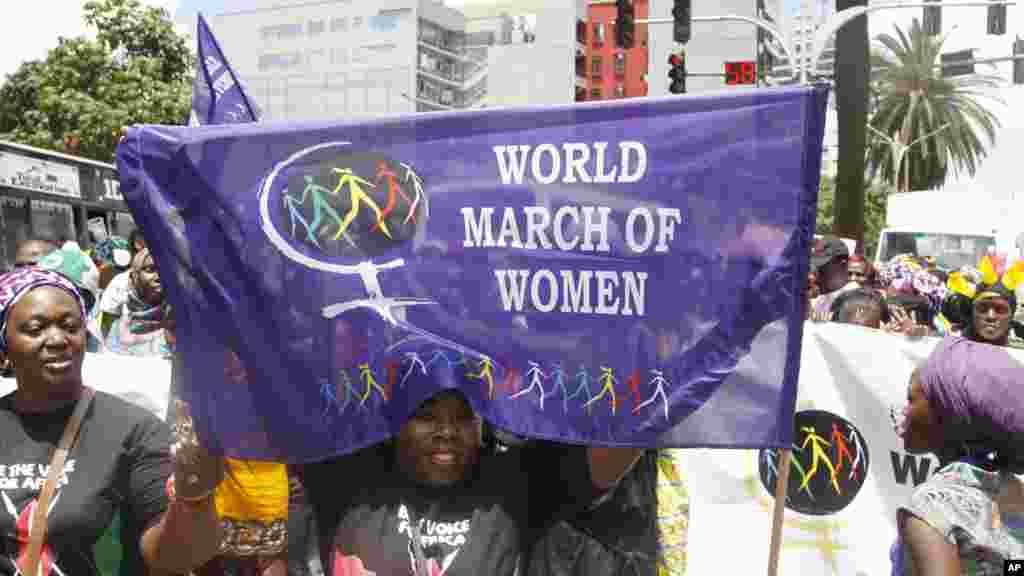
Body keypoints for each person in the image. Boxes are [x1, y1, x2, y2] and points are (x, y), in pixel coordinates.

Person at [0, 267, 222, 575]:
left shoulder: (133, 430)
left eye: (69, 326)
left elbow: (172, 558)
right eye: (35, 329)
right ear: (5, 348)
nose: (57, 339)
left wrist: (194, 498)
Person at [298, 389, 643, 576]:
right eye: (426, 415)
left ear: (483, 426)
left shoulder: (515, 483)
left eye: (464, 417)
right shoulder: (347, 471)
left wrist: (660, 382)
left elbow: (603, 463)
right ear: (396, 422)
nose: (446, 431)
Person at [891, 336, 1024, 575]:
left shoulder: (933, 505)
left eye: (911, 398)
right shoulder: (1014, 492)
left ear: (947, 411)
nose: (905, 411)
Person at [102, 248, 172, 357]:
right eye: (150, 269)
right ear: (134, 276)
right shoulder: (117, 330)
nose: (159, 276)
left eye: (164, 269)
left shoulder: (179, 323)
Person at [809, 236, 854, 320]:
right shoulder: (819, 292)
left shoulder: (852, 295)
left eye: (824, 266)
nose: (818, 271)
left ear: (842, 263)